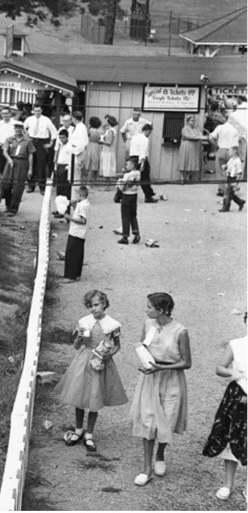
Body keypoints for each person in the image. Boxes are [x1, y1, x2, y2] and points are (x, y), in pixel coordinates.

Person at [54, 290, 127, 453]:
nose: (93, 309)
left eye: (96, 305)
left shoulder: (112, 324)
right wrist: (79, 337)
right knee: (79, 395)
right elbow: (76, 346)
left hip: (100, 360)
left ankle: (90, 433)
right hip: (84, 359)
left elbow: (117, 345)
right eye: (90, 306)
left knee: (95, 396)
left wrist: (109, 354)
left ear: (104, 304)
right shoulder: (84, 322)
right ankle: (78, 429)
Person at [131, 292, 191, 487]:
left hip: (171, 380)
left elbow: (186, 362)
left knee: (166, 420)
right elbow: (142, 346)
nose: (145, 310)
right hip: (150, 378)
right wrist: (145, 360)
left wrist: (161, 367)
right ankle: (147, 469)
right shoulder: (148, 324)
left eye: (149, 307)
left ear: (162, 310)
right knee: (148, 422)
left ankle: (160, 454)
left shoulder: (180, 331)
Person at [201, 319, 246, 501]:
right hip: (238, 394)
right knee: (231, 436)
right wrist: (232, 373)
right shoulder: (236, 344)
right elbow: (220, 368)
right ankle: (228, 484)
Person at [2, 120, 37, 216]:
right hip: (10, 162)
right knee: (6, 185)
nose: (18, 129)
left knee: (18, 186)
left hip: (22, 163)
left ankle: (13, 209)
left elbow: (30, 154)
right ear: (14, 128)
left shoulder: (27, 141)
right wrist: (9, 159)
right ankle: (8, 205)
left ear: (23, 129)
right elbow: (4, 151)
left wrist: (30, 168)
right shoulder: (9, 139)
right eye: (16, 127)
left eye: (20, 127)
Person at [23, 106, 58, 194]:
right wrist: (26, 136)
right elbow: (22, 128)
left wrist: (51, 143)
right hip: (31, 140)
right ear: (33, 111)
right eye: (35, 111)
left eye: (39, 111)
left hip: (42, 142)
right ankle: (31, 186)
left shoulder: (46, 120)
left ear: (41, 111)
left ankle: (42, 187)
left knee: (41, 165)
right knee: (31, 163)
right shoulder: (29, 119)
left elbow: (54, 131)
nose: (37, 112)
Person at [210, 115, 246, 195]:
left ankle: (222, 189)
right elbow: (240, 142)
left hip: (222, 150)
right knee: (231, 171)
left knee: (220, 170)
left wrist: (216, 145)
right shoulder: (236, 129)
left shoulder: (220, 127)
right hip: (232, 151)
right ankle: (230, 188)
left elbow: (211, 137)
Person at [61, 186, 90, 282]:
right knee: (78, 253)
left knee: (71, 253)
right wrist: (74, 207)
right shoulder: (84, 204)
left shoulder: (83, 205)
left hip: (76, 232)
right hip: (80, 233)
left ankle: (70, 276)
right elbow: (79, 214)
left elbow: (82, 220)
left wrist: (70, 218)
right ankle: (77, 274)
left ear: (80, 195)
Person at [127, 123, 159, 203]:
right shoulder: (145, 139)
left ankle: (119, 195)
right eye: (150, 132)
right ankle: (148, 196)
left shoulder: (135, 137)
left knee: (130, 177)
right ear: (148, 131)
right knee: (145, 178)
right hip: (140, 158)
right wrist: (142, 163)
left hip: (132, 157)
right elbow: (143, 151)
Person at [116, 157, 141, 245]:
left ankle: (125, 236)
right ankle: (136, 233)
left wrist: (119, 182)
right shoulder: (138, 173)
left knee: (125, 216)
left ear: (133, 165)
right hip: (134, 196)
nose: (126, 166)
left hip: (126, 196)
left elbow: (122, 188)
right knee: (133, 215)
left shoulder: (127, 175)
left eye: (127, 164)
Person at [178, 115, 208, 184]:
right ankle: (182, 178)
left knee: (191, 162)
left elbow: (200, 135)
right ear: (188, 121)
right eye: (192, 120)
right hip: (186, 146)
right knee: (184, 161)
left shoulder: (196, 128)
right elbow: (189, 136)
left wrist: (202, 137)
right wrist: (200, 137)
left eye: (194, 120)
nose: (193, 122)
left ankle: (188, 177)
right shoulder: (185, 129)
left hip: (194, 147)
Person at [219, 144, 245, 212]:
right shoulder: (231, 159)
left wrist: (236, 182)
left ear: (234, 152)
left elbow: (239, 172)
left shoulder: (238, 161)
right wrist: (224, 166)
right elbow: (228, 166)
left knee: (227, 193)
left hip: (234, 178)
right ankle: (240, 202)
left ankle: (226, 207)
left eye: (230, 151)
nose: (229, 152)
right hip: (229, 177)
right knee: (230, 194)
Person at [0, 107, 16, 174]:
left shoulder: (15, 123)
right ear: (1, 114)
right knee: (0, 166)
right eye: (3, 113)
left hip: (12, 147)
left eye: (7, 113)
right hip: (2, 146)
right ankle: (0, 182)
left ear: (10, 114)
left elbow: (23, 133)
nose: (5, 115)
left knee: (11, 166)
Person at [68, 111, 90, 187]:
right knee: (74, 175)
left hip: (78, 153)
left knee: (76, 176)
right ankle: (74, 193)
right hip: (74, 152)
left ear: (74, 118)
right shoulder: (78, 127)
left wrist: (76, 153)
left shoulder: (81, 127)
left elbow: (82, 143)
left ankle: (76, 195)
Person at [53, 128, 74, 203]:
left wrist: (67, 168)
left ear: (67, 137)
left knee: (64, 189)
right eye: (60, 137)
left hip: (65, 168)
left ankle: (64, 209)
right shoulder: (60, 145)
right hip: (59, 166)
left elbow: (71, 159)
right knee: (59, 189)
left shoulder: (69, 146)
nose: (61, 139)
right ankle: (59, 208)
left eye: (63, 137)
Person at [100, 115, 119, 185]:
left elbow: (109, 142)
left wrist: (101, 142)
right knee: (106, 167)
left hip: (108, 151)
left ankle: (108, 185)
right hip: (107, 150)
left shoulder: (111, 131)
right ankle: (107, 184)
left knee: (107, 167)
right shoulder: (109, 130)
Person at [85, 116, 102, 184]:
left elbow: (86, 135)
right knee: (95, 164)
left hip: (90, 146)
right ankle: (95, 180)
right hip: (97, 146)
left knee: (90, 164)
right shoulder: (99, 131)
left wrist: (88, 127)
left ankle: (88, 181)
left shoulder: (89, 130)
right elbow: (100, 140)